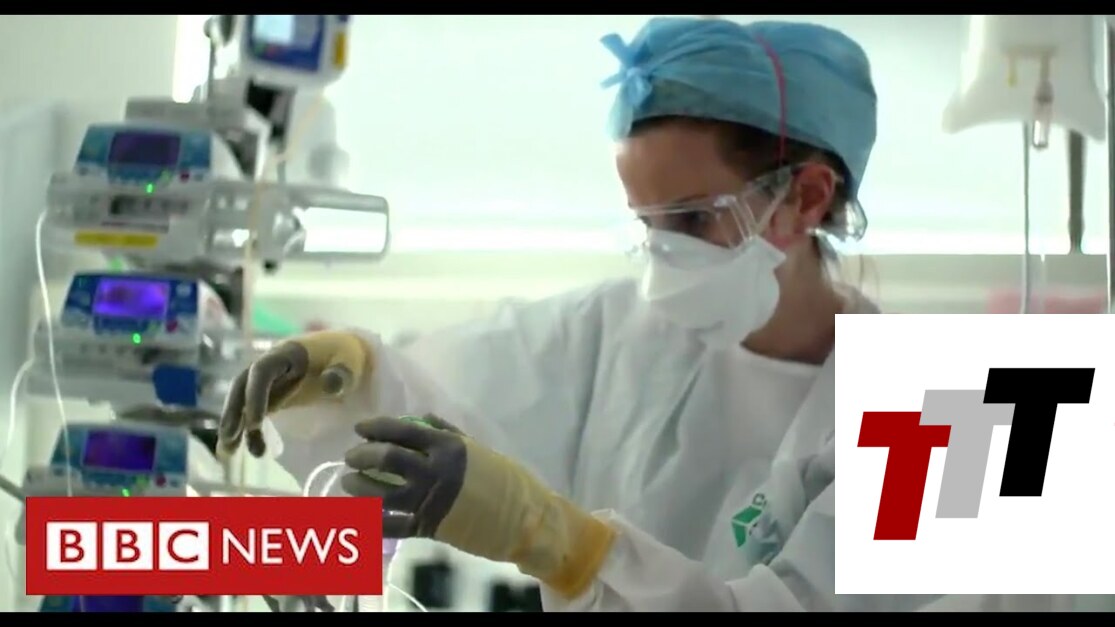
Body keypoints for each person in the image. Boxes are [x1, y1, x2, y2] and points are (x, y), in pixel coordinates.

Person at [218, 17, 1079, 612]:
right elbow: (440, 394)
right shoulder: (620, 331)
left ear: (806, 198)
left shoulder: (972, 416)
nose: (663, 259)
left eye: (693, 220)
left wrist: (555, 540)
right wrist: (341, 370)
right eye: (645, 224)